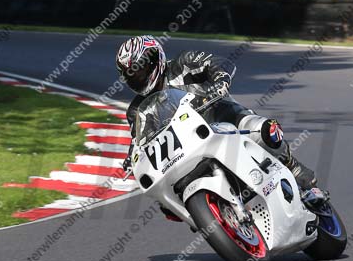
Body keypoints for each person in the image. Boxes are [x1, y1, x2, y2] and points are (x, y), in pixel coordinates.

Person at [116, 35, 324, 213]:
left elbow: (218, 63)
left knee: (263, 131)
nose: (138, 77)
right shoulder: (137, 109)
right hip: (188, 148)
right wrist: (131, 158)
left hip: (225, 118)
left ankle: (297, 173)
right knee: (165, 201)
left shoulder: (183, 63)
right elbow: (139, 140)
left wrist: (220, 80)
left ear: (155, 61)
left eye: (141, 71)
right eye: (131, 75)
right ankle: (206, 213)